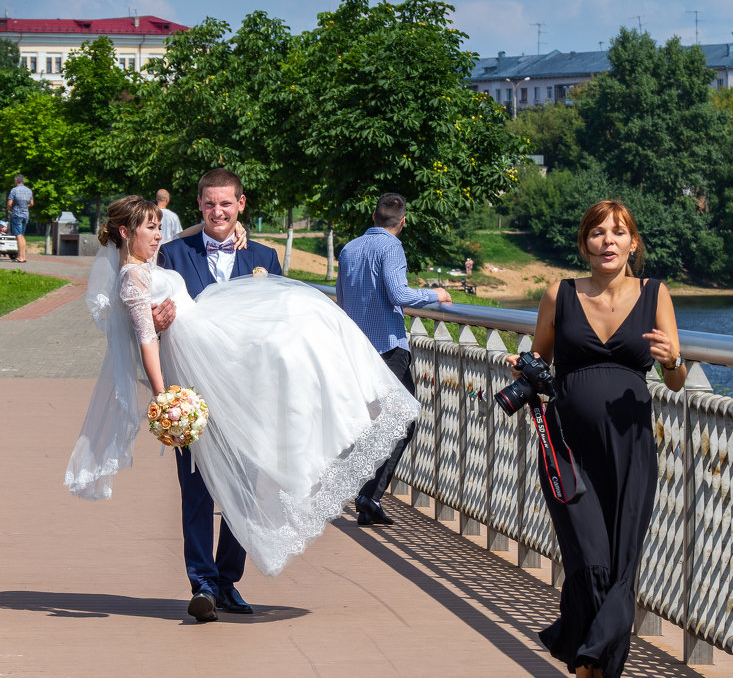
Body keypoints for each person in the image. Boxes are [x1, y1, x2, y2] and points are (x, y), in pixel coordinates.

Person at [65, 186, 419, 626]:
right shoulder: (171, 255)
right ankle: (204, 585)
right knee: (196, 490)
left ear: (240, 205)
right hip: (193, 387)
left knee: (247, 484)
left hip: (250, 393)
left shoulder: (265, 256)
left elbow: (272, 322)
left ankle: (229, 580)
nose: (218, 212)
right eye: (209, 204)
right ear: (199, 204)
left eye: (226, 204)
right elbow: (135, 322)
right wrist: (155, 343)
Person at [507, 200, 686, 678]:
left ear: (633, 243)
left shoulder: (655, 295)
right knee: (589, 562)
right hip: (566, 448)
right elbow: (538, 358)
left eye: (618, 232)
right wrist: (525, 367)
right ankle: (588, 670)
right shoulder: (558, 295)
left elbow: (675, 378)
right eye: (597, 233)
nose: (607, 240)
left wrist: (672, 360)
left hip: (630, 452)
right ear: (584, 243)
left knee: (621, 564)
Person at [336, 192, 451, 526]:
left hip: (358, 348)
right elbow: (399, 294)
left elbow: (343, 301)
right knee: (404, 420)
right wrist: (436, 294)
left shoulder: (349, 248)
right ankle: (368, 495)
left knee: (374, 421)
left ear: (373, 217)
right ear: (403, 221)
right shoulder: (391, 247)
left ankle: (365, 493)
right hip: (388, 348)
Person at [7, 174, 33, 263]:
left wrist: (10, 209)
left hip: (17, 214)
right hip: (25, 215)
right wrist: (24, 207)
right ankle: (22, 256)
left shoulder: (14, 190)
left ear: (17, 181)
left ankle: (21, 257)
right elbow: (32, 203)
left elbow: (9, 203)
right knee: (21, 235)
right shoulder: (29, 190)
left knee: (18, 236)